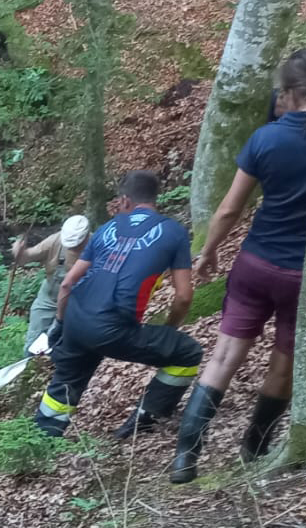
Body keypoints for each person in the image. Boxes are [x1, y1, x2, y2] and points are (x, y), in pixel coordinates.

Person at [169, 48, 306, 483]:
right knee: (283, 363)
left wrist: (208, 251)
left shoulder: (266, 138)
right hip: (303, 273)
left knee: (224, 356)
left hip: (256, 263)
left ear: (290, 91)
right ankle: (254, 449)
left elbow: (229, 210)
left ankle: (186, 457)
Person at [33, 171, 200, 440]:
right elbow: (183, 297)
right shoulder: (174, 232)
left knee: (67, 379)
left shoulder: (106, 229)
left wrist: (60, 326)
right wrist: (169, 330)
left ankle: (41, 438)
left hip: (76, 318)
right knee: (188, 352)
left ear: (125, 200)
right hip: (113, 327)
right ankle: (145, 418)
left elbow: (67, 284)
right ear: (154, 198)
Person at [12, 214, 90, 356]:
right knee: (33, 344)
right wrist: (19, 251)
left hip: (78, 303)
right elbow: (26, 258)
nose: (73, 247)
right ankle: (29, 363)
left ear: (85, 237)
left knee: (66, 345)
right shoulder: (54, 241)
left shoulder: (97, 244)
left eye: (77, 244)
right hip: (48, 299)